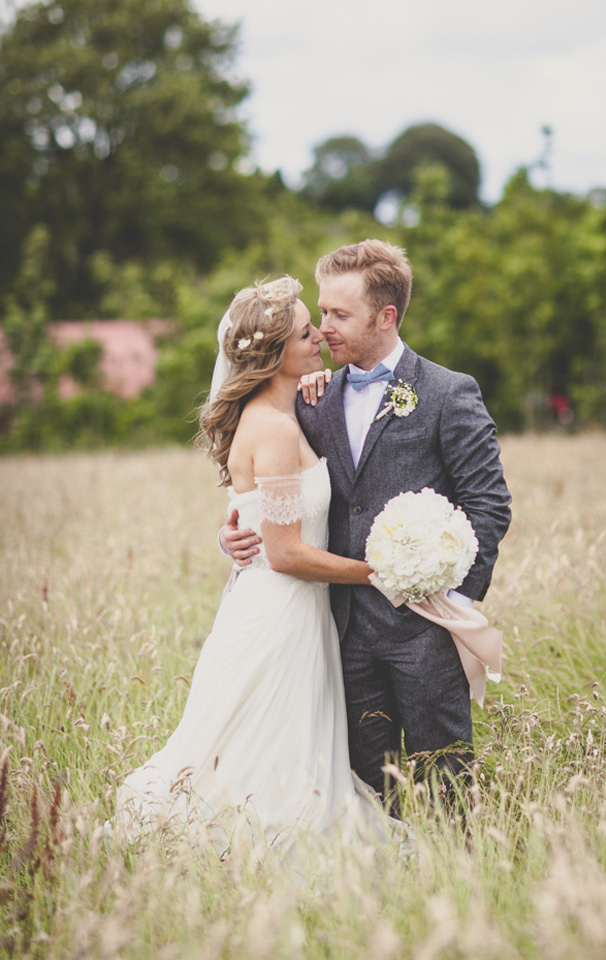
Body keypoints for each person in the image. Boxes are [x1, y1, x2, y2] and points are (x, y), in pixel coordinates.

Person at [113, 276, 396, 857]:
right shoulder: (273, 429)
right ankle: (259, 849)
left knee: (270, 743)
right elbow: (286, 553)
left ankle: (251, 846)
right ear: (273, 354)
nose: (319, 336)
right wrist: (379, 572)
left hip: (286, 609)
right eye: (305, 333)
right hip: (280, 615)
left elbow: (253, 518)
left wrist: (230, 536)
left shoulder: (280, 413)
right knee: (269, 743)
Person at [222, 240, 512, 806]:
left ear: (385, 317)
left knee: (446, 785)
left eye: (339, 314)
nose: (323, 328)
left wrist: (447, 598)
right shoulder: (309, 399)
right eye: (321, 312)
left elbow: (489, 505)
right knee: (361, 796)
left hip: (424, 631)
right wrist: (230, 536)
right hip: (337, 632)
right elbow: (268, 495)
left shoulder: (448, 393)